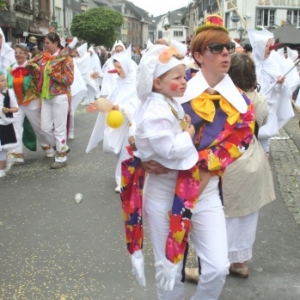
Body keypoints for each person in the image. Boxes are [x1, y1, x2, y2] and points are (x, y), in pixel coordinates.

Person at [122, 15, 255, 300]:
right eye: (216, 48)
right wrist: (141, 155)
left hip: (205, 190)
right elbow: (136, 120)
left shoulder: (242, 103)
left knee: (218, 267)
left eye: (228, 47)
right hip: (163, 188)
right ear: (198, 55)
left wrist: (202, 166)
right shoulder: (176, 80)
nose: (224, 53)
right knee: (169, 271)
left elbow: (240, 142)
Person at [185, 53, 275, 282]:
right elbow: (261, 122)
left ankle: (209, 267)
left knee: (220, 217)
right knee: (247, 215)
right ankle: (240, 262)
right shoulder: (259, 98)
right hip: (253, 159)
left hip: (229, 162)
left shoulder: (220, 99)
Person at [86, 47, 140, 192]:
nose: (116, 70)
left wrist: (121, 107)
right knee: (114, 148)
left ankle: (123, 180)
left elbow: (136, 105)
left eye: (119, 67)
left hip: (129, 123)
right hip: (117, 122)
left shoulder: (135, 84)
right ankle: (129, 174)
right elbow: (111, 99)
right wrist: (98, 105)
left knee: (125, 151)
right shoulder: (120, 82)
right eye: (115, 67)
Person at [6, 44, 56, 165]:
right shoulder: (10, 69)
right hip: (17, 103)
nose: (18, 55)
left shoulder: (32, 67)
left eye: (20, 52)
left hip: (31, 101)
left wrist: (40, 101)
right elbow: (9, 86)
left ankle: (47, 146)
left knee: (38, 127)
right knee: (15, 128)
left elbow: (39, 83)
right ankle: (17, 154)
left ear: (26, 54)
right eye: (16, 53)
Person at [30, 32, 74, 169]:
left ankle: (61, 158)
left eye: (48, 43)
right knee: (45, 128)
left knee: (59, 129)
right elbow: (32, 66)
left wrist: (53, 74)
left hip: (59, 96)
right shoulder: (43, 57)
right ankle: (61, 147)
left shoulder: (66, 59)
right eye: (45, 43)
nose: (45, 46)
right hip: (46, 96)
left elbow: (69, 79)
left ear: (56, 43)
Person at [248, 28, 294, 153]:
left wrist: (280, 83)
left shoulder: (272, 64)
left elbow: (281, 89)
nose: (270, 48)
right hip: (252, 108)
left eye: (270, 45)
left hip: (268, 108)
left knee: (264, 141)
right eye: (266, 46)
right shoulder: (249, 64)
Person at [0, 70, 18, 178]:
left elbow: (16, 108)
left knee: (2, 147)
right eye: (1, 81)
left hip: (5, 123)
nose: (4, 82)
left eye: (4, 80)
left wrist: (8, 110)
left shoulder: (9, 93)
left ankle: (1, 168)